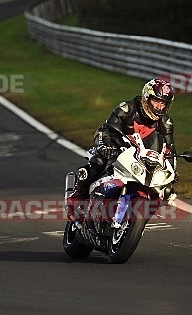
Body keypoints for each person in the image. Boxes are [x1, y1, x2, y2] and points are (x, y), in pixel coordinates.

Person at [66, 78, 177, 222]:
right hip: (110, 138)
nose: (159, 107)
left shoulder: (166, 122)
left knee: (164, 188)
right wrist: (110, 145)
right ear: (146, 97)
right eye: (156, 101)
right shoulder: (128, 108)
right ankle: (76, 198)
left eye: (163, 103)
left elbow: (169, 147)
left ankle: (137, 215)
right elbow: (112, 126)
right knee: (99, 161)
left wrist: (173, 168)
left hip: (140, 152)